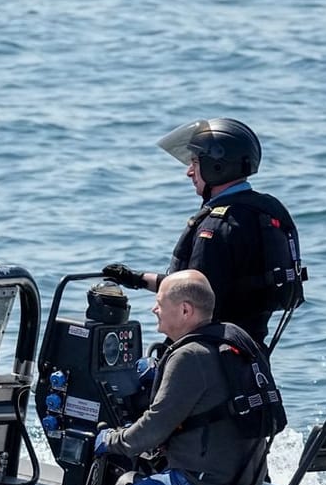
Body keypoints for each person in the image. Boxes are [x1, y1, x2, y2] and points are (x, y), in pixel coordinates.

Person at [81, 270, 282, 485]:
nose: (154, 308)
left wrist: (108, 441)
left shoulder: (189, 356)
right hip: (245, 482)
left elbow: (151, 431)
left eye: (160, 303)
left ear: (185, 310)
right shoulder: (233, 340)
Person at [102, 118, 303, 348]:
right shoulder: (265, 211)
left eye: (195, 162)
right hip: (250, 352)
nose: (189, 172)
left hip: (206, 358)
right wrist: (137, 279)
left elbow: (192, 301)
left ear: (216, 166)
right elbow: (200, 288)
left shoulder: (216, 227)